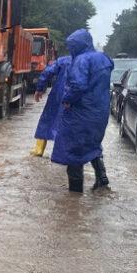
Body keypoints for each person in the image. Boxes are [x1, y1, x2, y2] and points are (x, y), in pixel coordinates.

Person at [51, 29, 114, 193]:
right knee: (93, 144)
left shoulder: (81, 60)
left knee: (73, 150)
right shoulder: (104, 58)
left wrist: (66, 100)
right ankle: (102, 179)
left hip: (80, 113)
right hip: (100, 112)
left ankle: (75, 193)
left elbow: (78, 85)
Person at [31, 56, 72, 157]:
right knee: (72, 123)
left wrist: (40, 88)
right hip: (77, 96)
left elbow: (47, 72)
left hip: (58, 95)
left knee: (47, 119)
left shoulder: (64, 60)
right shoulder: (88, 61)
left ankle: (39, 149)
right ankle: (66, 152)